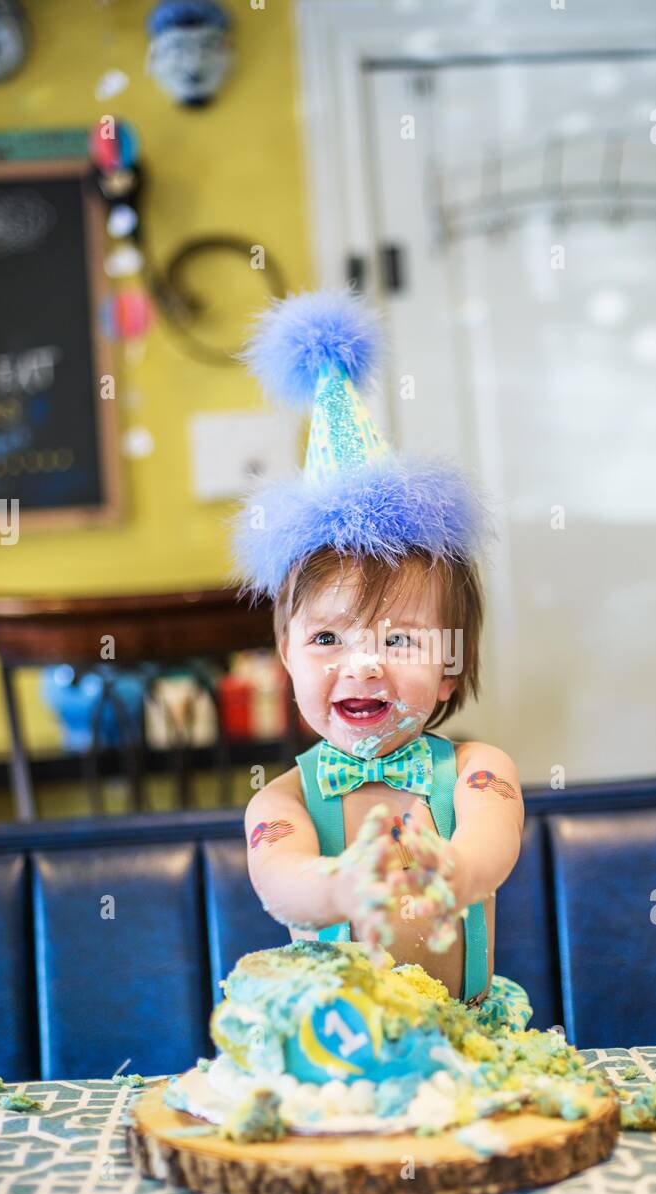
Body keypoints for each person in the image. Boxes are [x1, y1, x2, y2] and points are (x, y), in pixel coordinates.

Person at [233, 288, 531, 1030]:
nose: (362, 666)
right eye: (327, 639)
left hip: (465, 1042)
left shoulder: (475, 772)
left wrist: (451, 871)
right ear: (287, 656)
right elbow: (282, 882)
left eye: (398, 640)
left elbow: (490, 847)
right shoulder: (282, 805)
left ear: (451, 664)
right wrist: (342, 885)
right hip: (331, 1049)